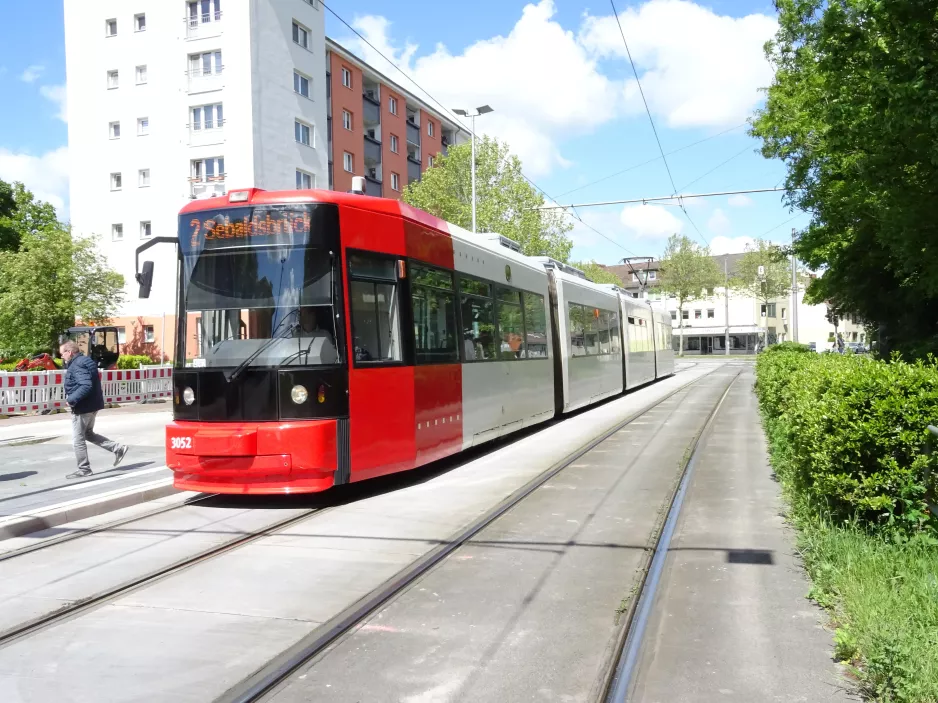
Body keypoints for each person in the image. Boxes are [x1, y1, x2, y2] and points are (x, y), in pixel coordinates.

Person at [60, 340, 129, 479]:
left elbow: (85, 385)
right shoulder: (86, 361)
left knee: (78, 438)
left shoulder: (77, 364)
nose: (61, 357)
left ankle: (84, 469)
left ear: (69, 352)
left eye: (62, 354)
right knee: (88, 434)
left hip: (83, 406)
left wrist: (71, 399)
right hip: (93, 404)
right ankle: (117, 448)